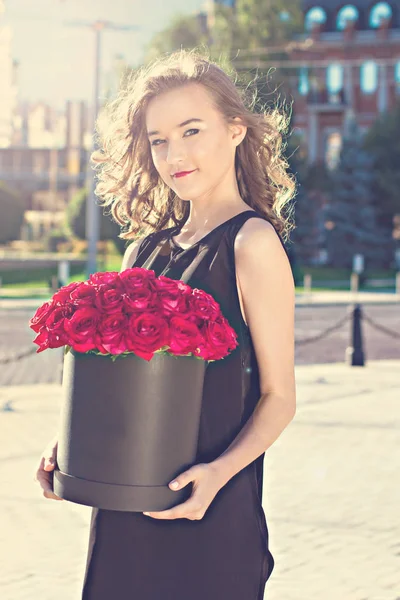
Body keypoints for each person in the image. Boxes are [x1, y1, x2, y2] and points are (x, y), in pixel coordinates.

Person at [35, 48, 297, 600]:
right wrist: (73, 450)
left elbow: (279, 397)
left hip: (210, 515)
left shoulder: (251, 243)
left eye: (191, 130)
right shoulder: (143, 252)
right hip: (124, 513)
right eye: (158, 139)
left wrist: (217, 476)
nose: (174, 153)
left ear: (235, 130)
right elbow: (118, 383)